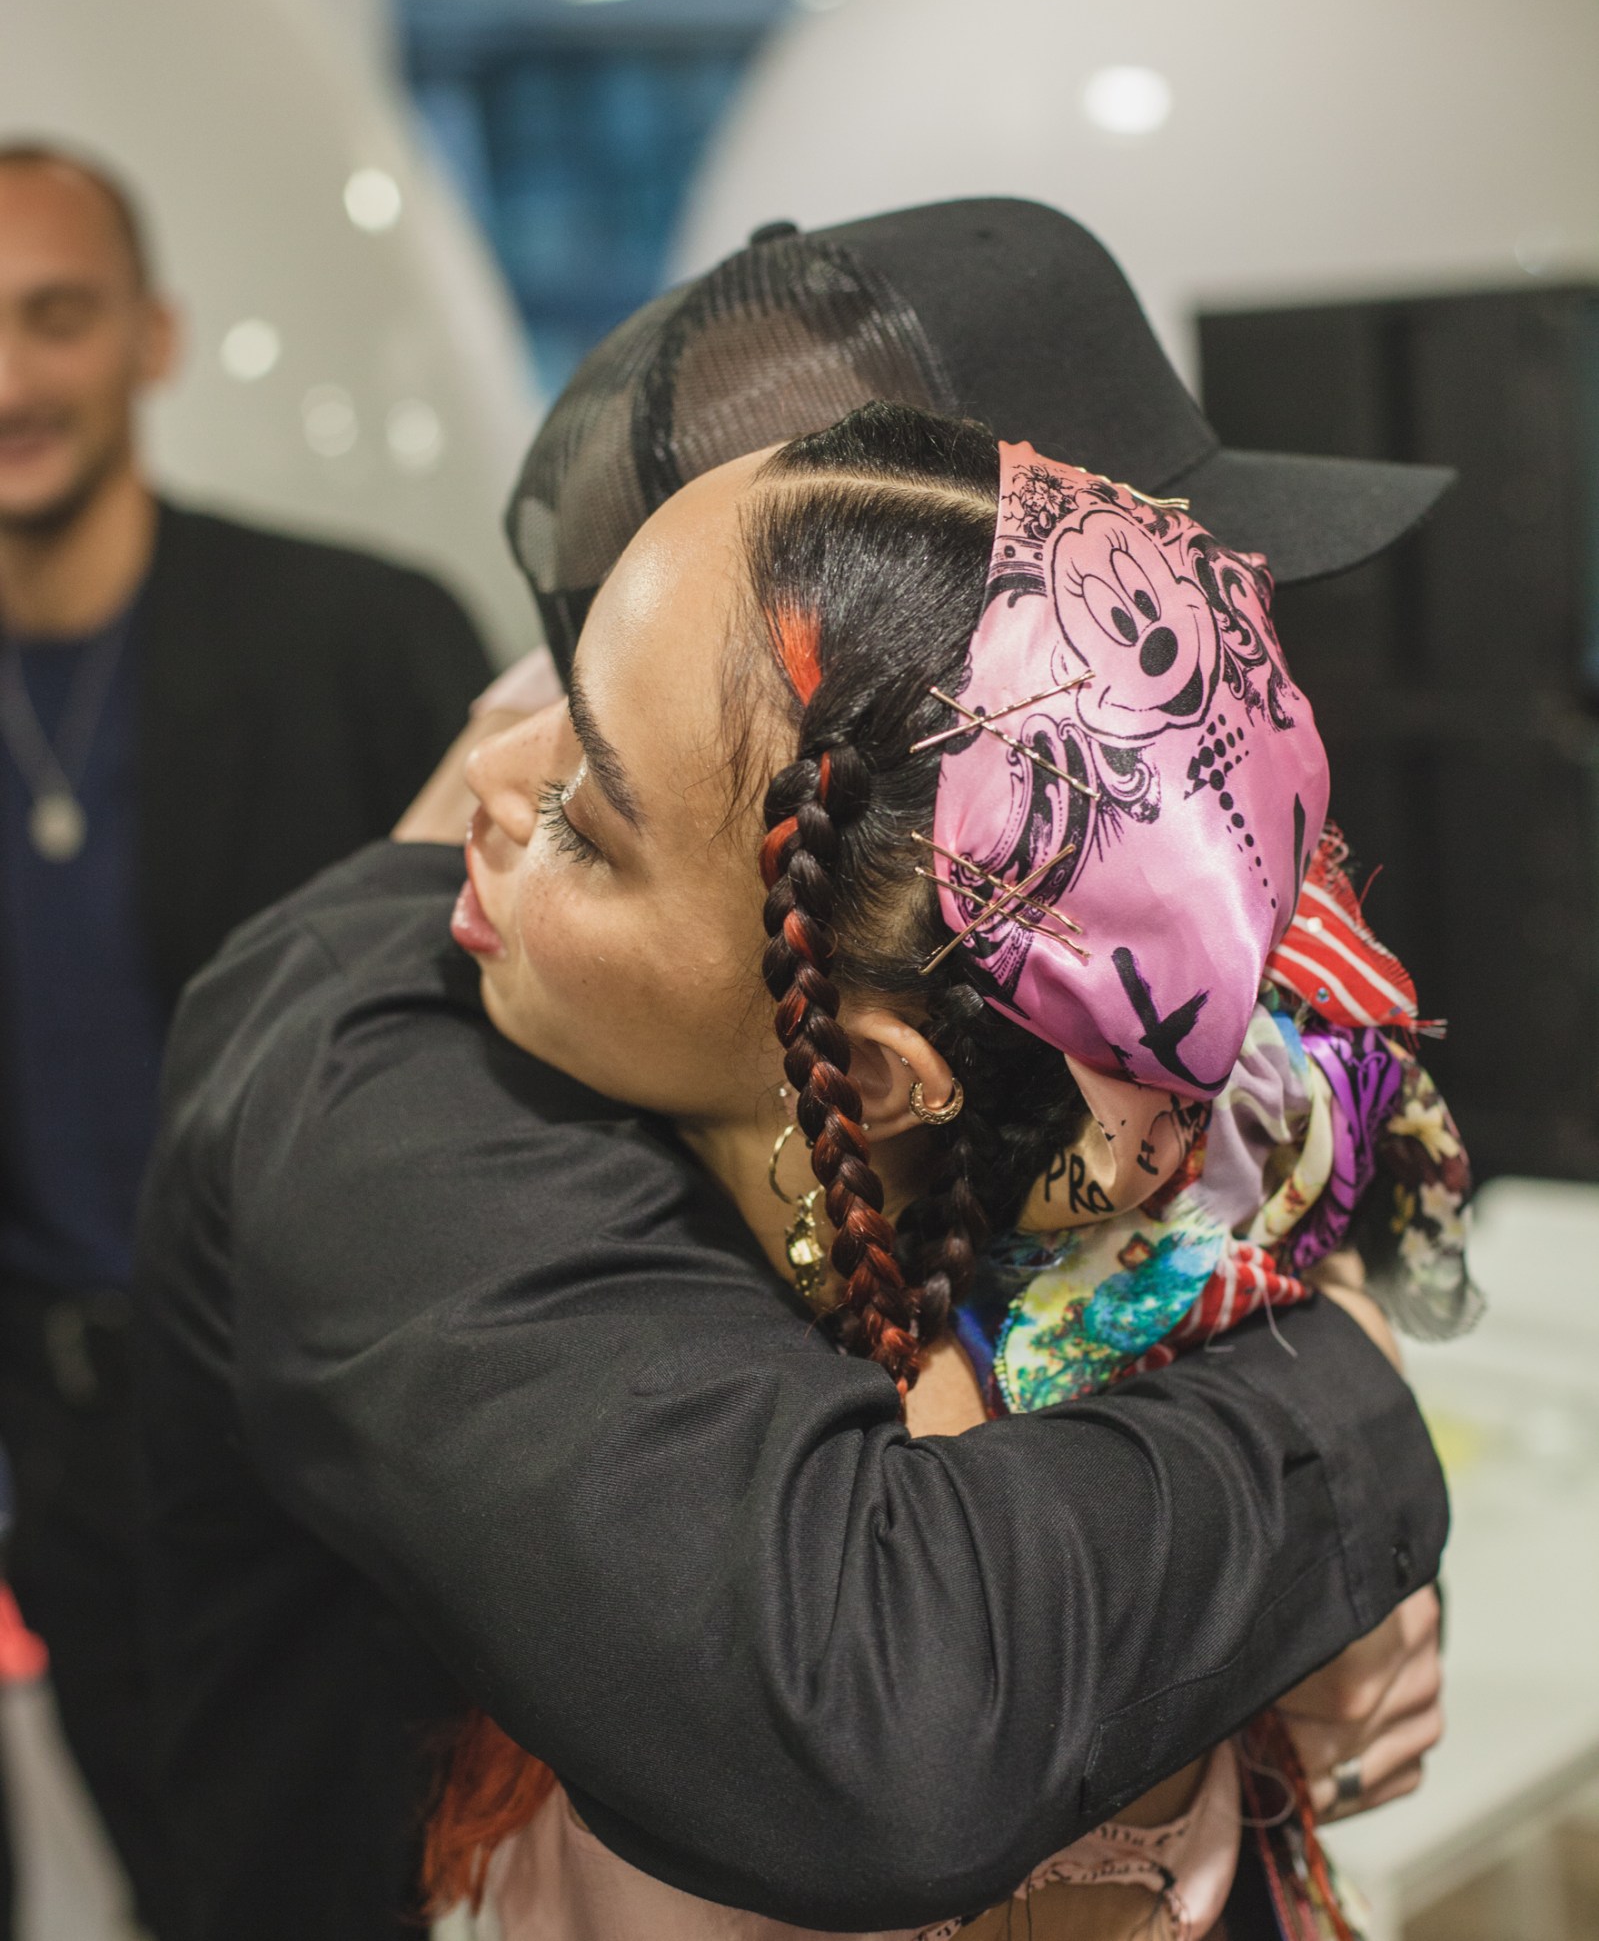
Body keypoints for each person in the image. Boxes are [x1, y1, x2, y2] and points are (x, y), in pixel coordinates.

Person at [135, 201, 1451, 1941]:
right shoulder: (424, 1077)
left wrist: (1284, 1560)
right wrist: (1341, 1429)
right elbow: (883, 1718)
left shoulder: (1018, 1017)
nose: (1176, 739)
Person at [426, 402, 1479, 1938]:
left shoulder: (950, 1613)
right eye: (555, 696)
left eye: (587, 815)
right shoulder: (1058, 1272)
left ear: (865, 1074)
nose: (483, 773)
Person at [0, 141, 490, 1933]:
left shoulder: (358, 640)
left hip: (350, 1449)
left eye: (54, 318)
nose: (8, 380)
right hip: (70, 1469)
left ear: (152, 337)